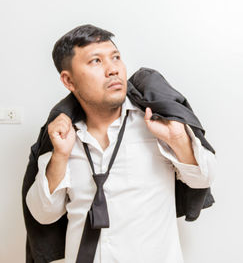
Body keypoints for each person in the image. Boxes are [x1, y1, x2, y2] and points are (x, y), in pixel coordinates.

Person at [25, 24, 217, 263]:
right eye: (96, 61)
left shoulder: (157, 121)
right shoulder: (62, 135)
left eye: (115, 57)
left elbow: (203, 178)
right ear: (69, 80)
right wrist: (61, 156)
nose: (112, 69)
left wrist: (177, 139)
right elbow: (43, 214)